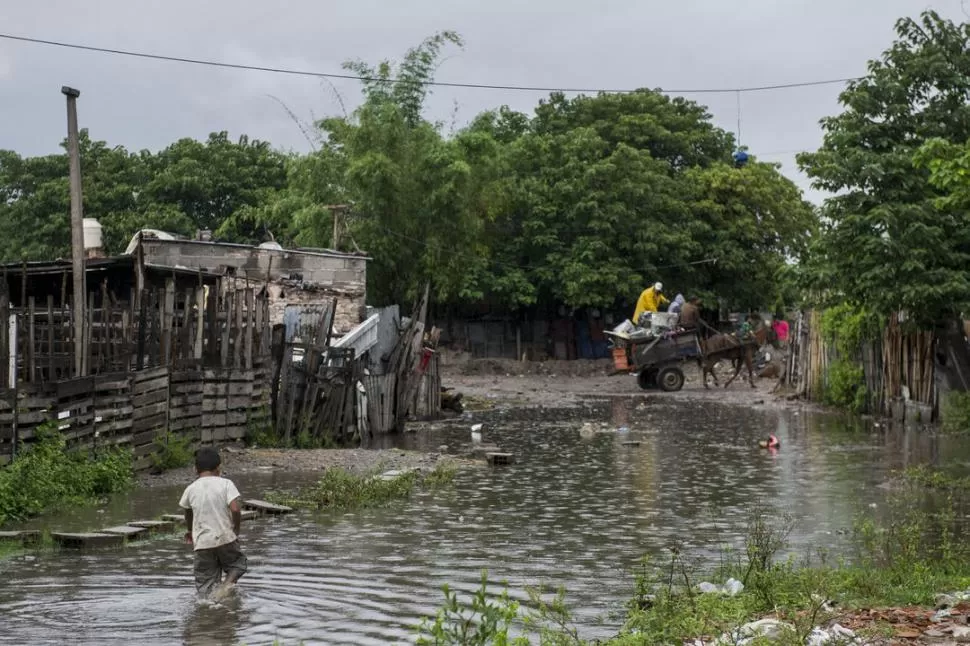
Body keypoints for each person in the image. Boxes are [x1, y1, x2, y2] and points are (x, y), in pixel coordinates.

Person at [179, 447, 247, 599]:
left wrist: (190, 531)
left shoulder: (190, 489)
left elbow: (188, 512)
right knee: (238, 564)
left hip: (202, 542)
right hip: (225, 537)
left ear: (195, 469)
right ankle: (226, 586)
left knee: (205, 584)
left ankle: (209, 609)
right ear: (219, 468)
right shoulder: (226, 484)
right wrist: (235, 529)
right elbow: (235, 509)